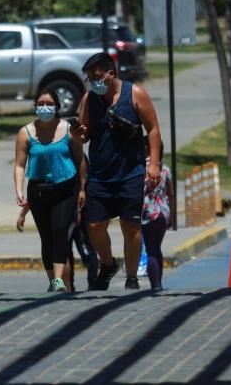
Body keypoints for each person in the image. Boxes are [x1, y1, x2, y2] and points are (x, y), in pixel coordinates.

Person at [75, 52, 162, 290]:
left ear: (110, 74)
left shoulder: (135, 94)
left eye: (96, 77)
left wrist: (153, 164)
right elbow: (84, 135)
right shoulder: (89, 99)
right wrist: (78, 133)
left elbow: (153, 129)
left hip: (130, 173)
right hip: (100, 175)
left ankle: (132, 277)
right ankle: (109, 263)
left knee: (130, 226)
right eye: (89, 78)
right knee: (94, 226)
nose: (93, 82)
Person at [14, 89, 86, 292]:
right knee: (46, 235)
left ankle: (59, 279)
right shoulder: (25, 133)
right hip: (38, 189)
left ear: (57, 106)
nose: (44, 107)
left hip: (66, 187)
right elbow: (20, 165)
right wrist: (19, 190)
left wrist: (82, 188)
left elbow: (80, 160)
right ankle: (53, 281)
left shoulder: (68, 129)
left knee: (60, 230)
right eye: (40, 103)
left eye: (49, 103)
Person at [141, 138, 174, 290]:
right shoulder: (165, 169)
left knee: (150, 250)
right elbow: (171, 193)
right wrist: (172, 215)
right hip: (164, 212)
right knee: (157, 247)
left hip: (148, 212)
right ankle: (159, 281)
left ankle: (156, 284)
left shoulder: (143, 167)